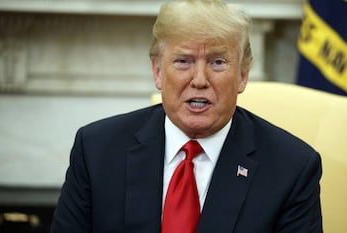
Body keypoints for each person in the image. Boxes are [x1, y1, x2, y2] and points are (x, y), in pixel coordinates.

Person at [50, 0, 323, 232]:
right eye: (183, 61)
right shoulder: (97, 150)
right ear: (157, 71)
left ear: (242, 75)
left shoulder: (292, 168)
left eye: (217, 62)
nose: (200, 80)